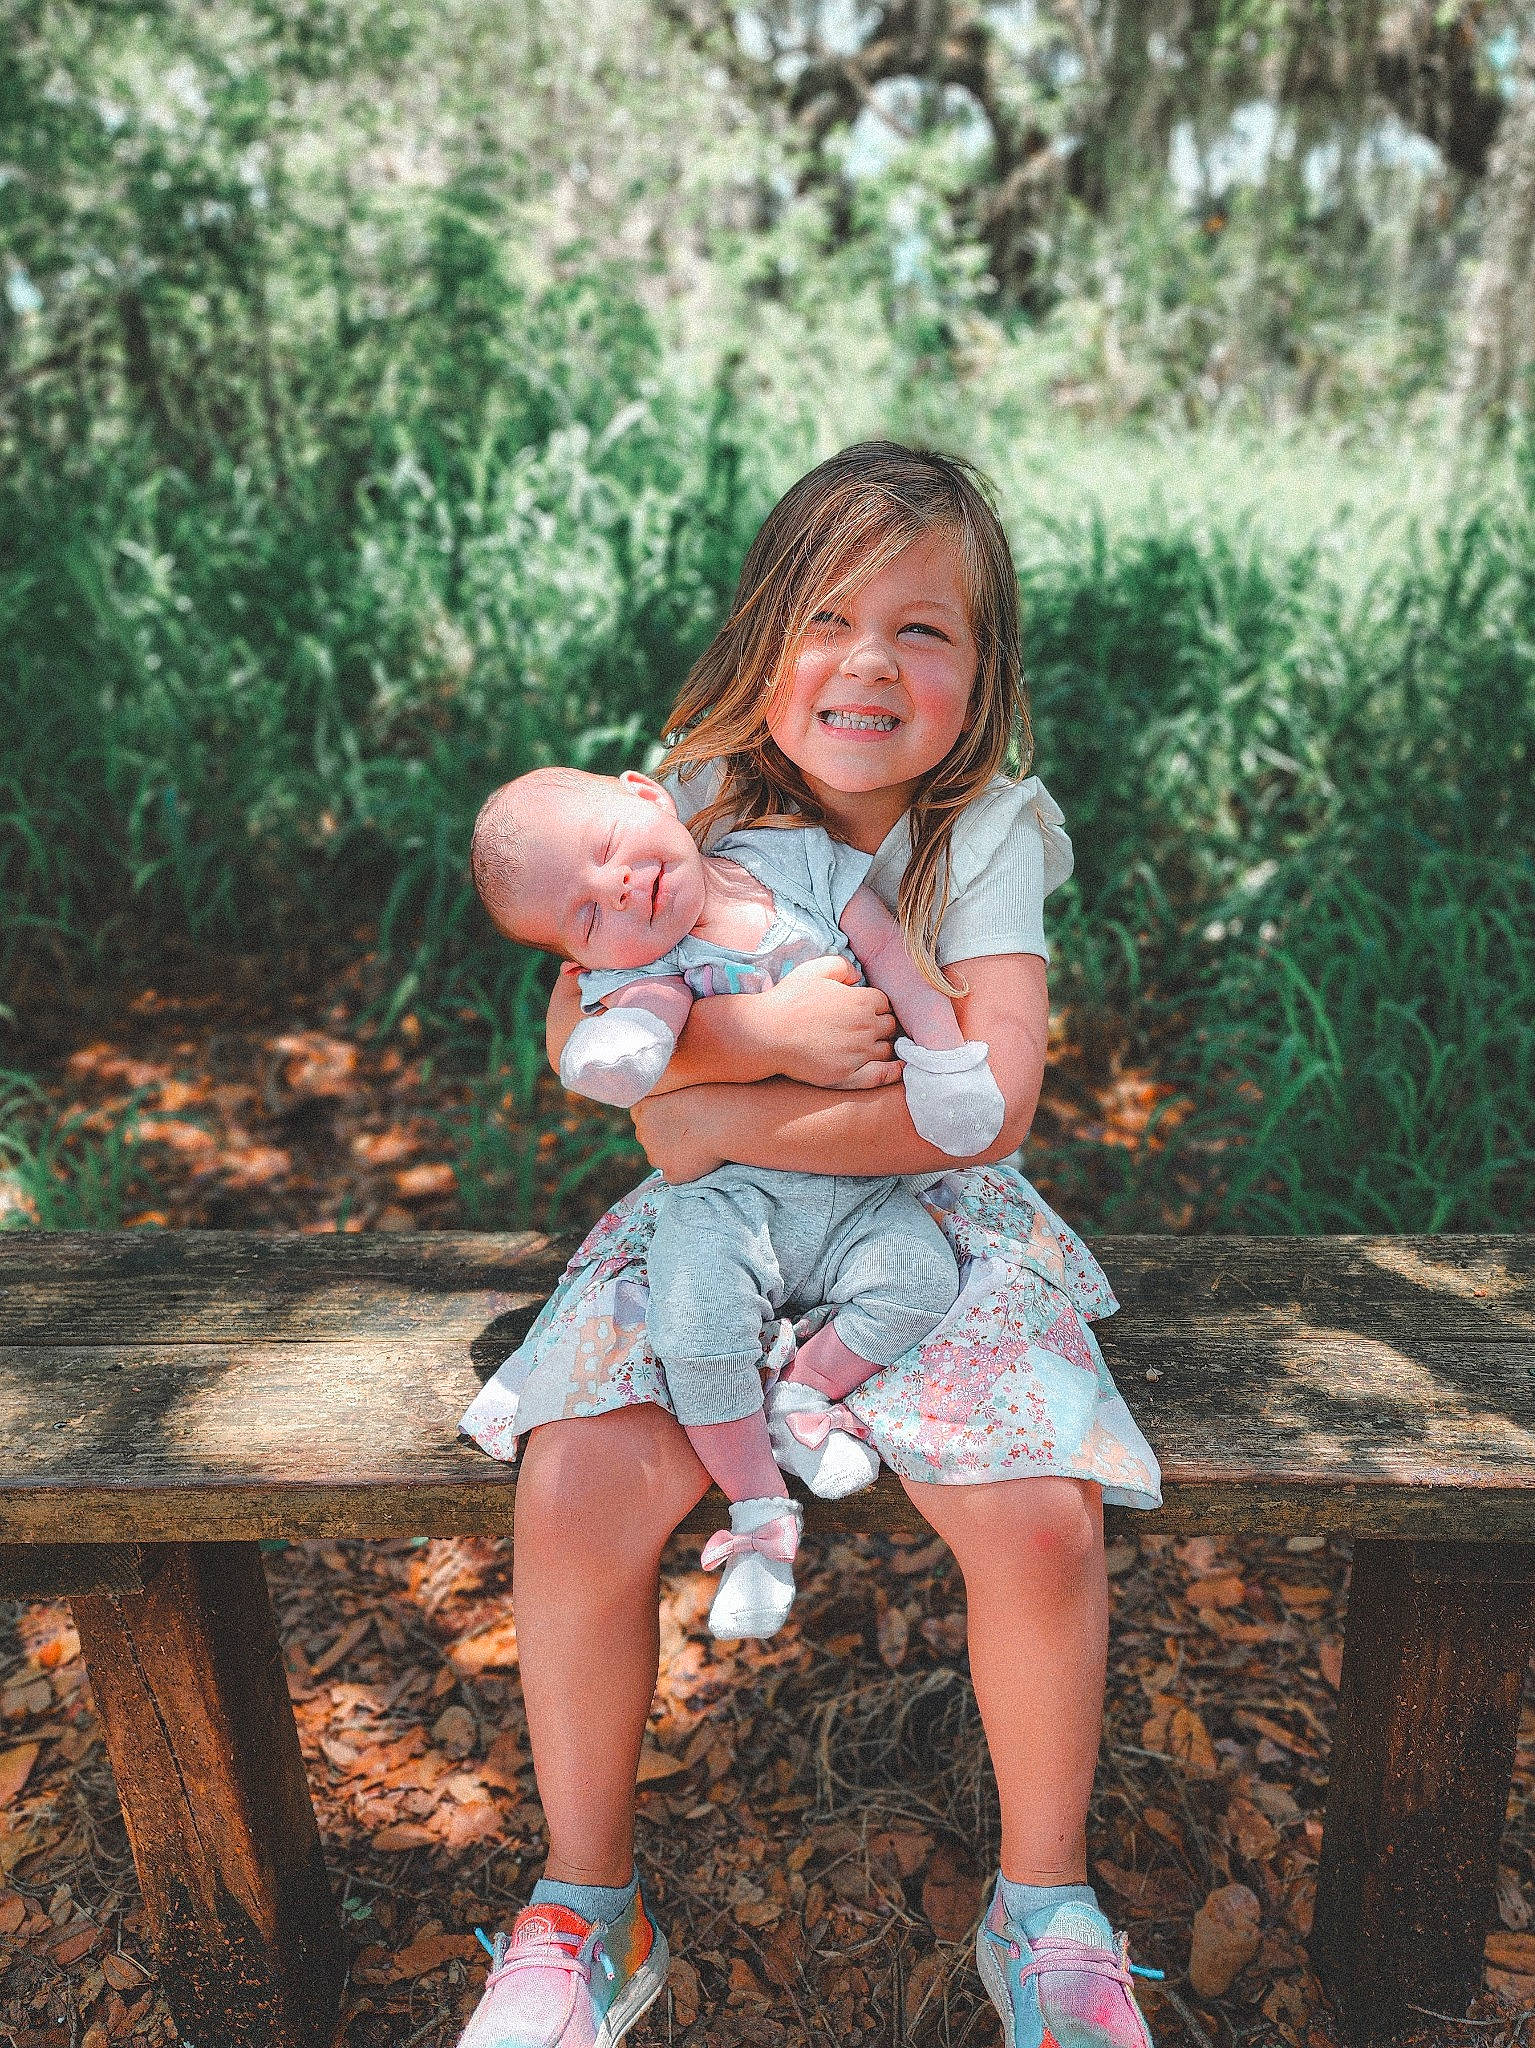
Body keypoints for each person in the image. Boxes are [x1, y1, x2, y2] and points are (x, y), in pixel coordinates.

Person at [456, 443, 1163, 2048]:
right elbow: (578, 1023)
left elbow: (982, 1110)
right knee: (574, 1489)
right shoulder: (683, 795)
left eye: (925, 631)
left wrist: (714, 1115)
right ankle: (586, 1909)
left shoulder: (978, 833)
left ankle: (1042, 1905)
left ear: (979, 680)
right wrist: (744, 1045)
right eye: (827, 614)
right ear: (764, 633)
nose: (867, 661)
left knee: (1036, 1513)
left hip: (926, 1223)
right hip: (709, 1226)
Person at [469, 762, 1008, 1636]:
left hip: (864, 1191)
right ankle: (758, 1509)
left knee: (921, 1279)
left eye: (609, 850)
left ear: (649, 796)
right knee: (694, 1329)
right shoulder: (648, 970)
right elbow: (609, 1048)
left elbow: (885, 948)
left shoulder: (788, 860)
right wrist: (766, 1037)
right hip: (725, 1202)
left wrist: (944, 1057)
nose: (622, 887)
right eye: (588, 914)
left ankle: (804, 1393)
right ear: (580, 958)